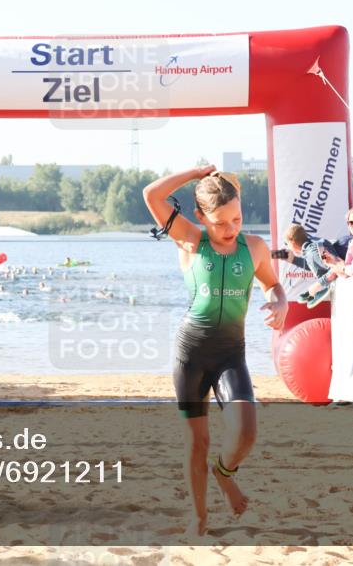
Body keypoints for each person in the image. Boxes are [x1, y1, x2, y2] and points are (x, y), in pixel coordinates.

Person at [143, 165, 287, 536]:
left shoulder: (253, 248)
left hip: (230, 355)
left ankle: (224, 473)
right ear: (200, 217)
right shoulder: (190, 240)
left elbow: (274, 285)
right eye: (220, 222)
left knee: (246, 432)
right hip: (190, 354)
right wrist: (195, 174)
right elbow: (151, 195)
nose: (230, 228)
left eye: (236, 218)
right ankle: (199, 517)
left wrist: (280, 303)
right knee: (198, 441)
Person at [281, 224, 339, 308]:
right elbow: (319, 264)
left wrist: (317, 286)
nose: (287, 247)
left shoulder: (314, 252)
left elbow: (335, 268)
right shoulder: (311, 246)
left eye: (287, 243)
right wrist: (294, 260)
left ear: (292, 242)